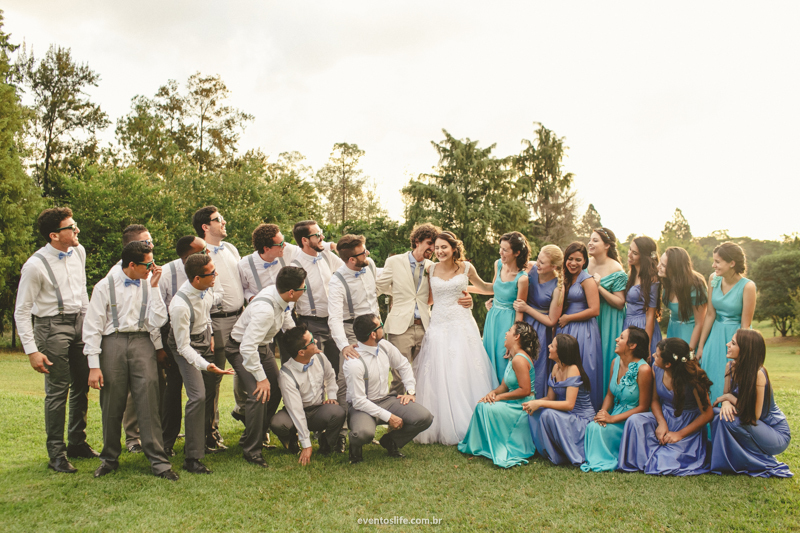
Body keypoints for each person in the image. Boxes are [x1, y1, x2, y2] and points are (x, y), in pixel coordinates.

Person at [83, 242, 178, 480]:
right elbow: (92, 327)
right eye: (148, 264)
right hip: (112, 343)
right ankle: (109, 459)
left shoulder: (150, 284)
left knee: (149, 401)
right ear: (132, 264)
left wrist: (154, 287)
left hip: (143, 342)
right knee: (111, 404)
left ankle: (158, 461)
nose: (153, 268)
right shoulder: (105, 286)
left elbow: (158, 320)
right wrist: (94, 366)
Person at [14, 207, 97, 473]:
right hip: (51, 327)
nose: (77, 230)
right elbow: (22, 311)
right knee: (58, 390)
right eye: (71, 227)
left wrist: (89, 326)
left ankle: (77, 443)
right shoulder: (35, 266)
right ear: (54, 235)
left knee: (82, 385)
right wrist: (31, 351)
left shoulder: (79, 252)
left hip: (79, 323)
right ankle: (56, 455)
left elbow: (82, 292)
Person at [413, 231, 497, 445]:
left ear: (453, 248)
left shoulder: (466, 268)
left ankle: (469, 421)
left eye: (444, 247)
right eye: (437, 247)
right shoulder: (430, 269)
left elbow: (485, 287)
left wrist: (503, 280)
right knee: (438, 371)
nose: (439, 251)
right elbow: (428, 298)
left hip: (462, 324)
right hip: (439, 325)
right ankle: (437, 423)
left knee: (462, 369)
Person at [376, 223, 473, 396]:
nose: (433, 249)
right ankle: (395, 412)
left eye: (435, 245)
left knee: (423, 375)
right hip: (400, 327)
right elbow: (379, 287)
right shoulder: (394, 262)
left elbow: (445, 290)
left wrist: (467, 297)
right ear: (417, 241)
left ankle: (416, 412)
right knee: (399, 377)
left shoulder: (432, 267)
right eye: (429, 243)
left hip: (426, 326)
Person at [225, 267, 302, 467]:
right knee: (259, 394)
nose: (304, 291)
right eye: (303, 288)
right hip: (240, 349)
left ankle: (254, 434)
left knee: (276, 387)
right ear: (291, 292)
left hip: (262, 347)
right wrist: (261, 378)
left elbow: (287, 320)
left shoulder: (282, 297)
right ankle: (252, 450)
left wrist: (303, 342)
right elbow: (247, 347)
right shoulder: (265, 311)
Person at [168, 254, 235, 474]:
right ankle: (192, 458)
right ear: (197, 278)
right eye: (212, 273)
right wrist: (206, 365)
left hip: (204, 339)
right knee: (197, 396)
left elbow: (207, 313)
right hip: (185, 347)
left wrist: (211, 335)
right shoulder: (180, 306)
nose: (216, 275)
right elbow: (183, 347)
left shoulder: (207, 289)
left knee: (209, 393)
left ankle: (203, 440)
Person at [344, 314, 433, 464]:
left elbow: (403, 365)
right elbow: (358, 401)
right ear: (373, 334)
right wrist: (389, 417)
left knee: (425, 417)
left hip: (386, 400)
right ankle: (355, 448)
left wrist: (410, 391)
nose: (383, 327)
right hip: (362, 407)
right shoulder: (353, 363)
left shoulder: (384, 346)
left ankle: (391, 441)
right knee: (363, 433)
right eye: (380, 325)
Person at [618, 338, 713, 476]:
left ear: (668, 364)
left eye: (657, 355)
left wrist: (679, 435)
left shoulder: (694, 379)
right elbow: (654, 400)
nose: (653, 355)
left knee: (665, 461)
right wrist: (662, 423)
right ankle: (642, 458)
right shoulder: (656, 368)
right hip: (664, 415)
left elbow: (707, 414)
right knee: (635, 420)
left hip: (686, 424)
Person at [290, 220, 346, 451]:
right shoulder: (294, 264)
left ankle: (336, 431)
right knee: (311, 375)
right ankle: (306, 428)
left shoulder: (328, 257)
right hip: (309, 323)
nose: (322, 237)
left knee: (336, 373)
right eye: (317, 235)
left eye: (321, 233)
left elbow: (347, 270)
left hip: (333, 322)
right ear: (305, 240)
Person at [192, 206, 244, 450]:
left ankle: (247, 416)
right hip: (216, 321)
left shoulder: (231, 248)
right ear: (205, 226)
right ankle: (209, 434)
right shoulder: (199, 253)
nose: (224, 222)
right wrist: (210, 330)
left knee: (246, 370)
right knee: (213, 379)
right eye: (218, 220)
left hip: (240, 318)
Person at [710, 329, 792, 477]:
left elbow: (754, 416)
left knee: (728, 419)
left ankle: (759, 461)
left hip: (774, 433)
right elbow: (726, 395)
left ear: (745, 349)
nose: (728, 344)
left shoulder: (758, 374)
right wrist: (726, 402)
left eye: (733, 343)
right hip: (751, 424)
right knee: (716, 414)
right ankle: (729, 460)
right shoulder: (730, 366)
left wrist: (729, 398)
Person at [104, 224, 155, 455]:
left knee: (149, 388)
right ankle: (132, 437)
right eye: (146, 242)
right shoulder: (115, 277)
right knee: (129, 392)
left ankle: (152, 436)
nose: (151, 244)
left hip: (148, 335)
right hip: (123, 337)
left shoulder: (147, 270)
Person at [458, 322, 538, 468]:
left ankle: (496, 445)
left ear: (517, 336)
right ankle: (483, 446)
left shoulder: (519, 359)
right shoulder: (513, 357)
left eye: (509, 331)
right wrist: (492, 393)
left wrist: (499, 398)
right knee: (483, 405)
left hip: (522, 407)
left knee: (485, 408)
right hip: (514, 403)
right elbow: (504, 386)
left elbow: (525, 390)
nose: (506, 334)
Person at [155, 235, 207, 456]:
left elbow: (208, 302)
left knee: (202, 389)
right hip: (173, 333)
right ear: (187, 256)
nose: (207, 254)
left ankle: (202, 438)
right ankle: (167, 440)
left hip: (200, 333)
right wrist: (159, 348)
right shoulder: (167, 273)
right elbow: (156, 312)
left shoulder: (207, 269)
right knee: (173, 387)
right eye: (202, 251)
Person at [580, 327, 653, 472]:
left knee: (600, 430)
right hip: (615, 413)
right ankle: (596, 459)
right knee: (593, 426)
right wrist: (602, 414)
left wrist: (612, 419)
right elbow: (609, 394)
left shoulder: (644, 370)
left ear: (632, 345)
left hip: (632, 421)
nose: (616, 339)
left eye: (621, 338)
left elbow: (644, 407)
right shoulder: (615, 362)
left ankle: (609, 460)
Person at [271, 325, 346, 466]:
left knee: (338, 412)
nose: (316, 341)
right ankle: (292, 440)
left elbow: (330, 376)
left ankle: (326, 443)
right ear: (301, 352)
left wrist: (331, 396)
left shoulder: (320, 357)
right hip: (296, 412)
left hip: (318, 410)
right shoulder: (286, 375)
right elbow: (296, 411)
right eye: (311, 341)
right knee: (278, 423)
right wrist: (306, 444)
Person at [697, 242, 757, 404]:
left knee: (732, 378)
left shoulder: (748, 286)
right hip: (715, 335)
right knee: (710, 374)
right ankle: (710, 415)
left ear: (732, 263)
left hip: (736, 337)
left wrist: (740, 350)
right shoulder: (713, 279)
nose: (713, 265)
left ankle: (729, 413)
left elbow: (745, 325)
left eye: (717, 262)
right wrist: (701, 346)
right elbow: (710, 314)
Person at [524, 334, 596, 466]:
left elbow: (569, 404)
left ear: (561, 351)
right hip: (566, 415)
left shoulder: (573, 369)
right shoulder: (556, 367)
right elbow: (550, 398)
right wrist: (532, 403)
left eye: (552, 346)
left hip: (581, 418)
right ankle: (547, 451)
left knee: (548, 414)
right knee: (534, 413)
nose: (548, 347)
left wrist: (539, 403)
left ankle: (561, 455)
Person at [328, 234, 379, 410]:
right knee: (346, 377)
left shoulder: (369, 265)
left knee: (374, 374)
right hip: (351, 331)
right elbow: (334, 318)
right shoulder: (337, 281)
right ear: (351, 259)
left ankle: (370, 417)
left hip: (375, 329)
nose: (368, 253)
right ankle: (342, 422)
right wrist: (344, 346)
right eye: (363, 252)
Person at [556, 242, 603, 411]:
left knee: (583, 367)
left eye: (578, 259)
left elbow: (594, 310)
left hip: (583, 330)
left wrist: (569, 318)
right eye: (570, 259)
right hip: (566, 328)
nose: (573, 263)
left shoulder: (587, 280)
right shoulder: (565, 278)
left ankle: (584, 410)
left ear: (584, 261)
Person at [514, 244, 564, 400]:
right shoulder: (530, 269)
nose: (537, 264)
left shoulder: (558, 287)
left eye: (542, 262)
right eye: (538, 259)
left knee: (535, 367)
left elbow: (551, 321)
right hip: (522, 322)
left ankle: (533, 403)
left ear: (553, 267)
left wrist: (527, 308)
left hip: (540, 331)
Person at [481, 232, 530, 380]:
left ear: (517, 253)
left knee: (502, 358)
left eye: (505, 250)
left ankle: (502, 392)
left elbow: (519, 311)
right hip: (492, 318)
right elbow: (494, 288)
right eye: (500, 248)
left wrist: (515, 340)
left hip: (508, 322)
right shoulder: (498, 264)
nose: (500, 252)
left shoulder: (522, 279)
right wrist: (493, 301)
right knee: (487, 358)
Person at [587, 227, 628, 398]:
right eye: (590, 239)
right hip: (590, 316)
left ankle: (605, 401)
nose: (590, 243)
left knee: (605, 357)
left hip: (609, 319)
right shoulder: (587, 264)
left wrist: (599, 287)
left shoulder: (615, 268)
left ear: (607, 245)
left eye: (595, 240)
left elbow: (620, 302)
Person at [658, 246, 707, 350]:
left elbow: (700, 323)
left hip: (690, 332)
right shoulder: (666, 280)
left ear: (675, 268)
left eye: (663, 265)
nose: (658, 267)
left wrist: (690, 350)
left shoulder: (696, 285)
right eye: (660, 263)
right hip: (673, 328)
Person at [622, 236, 662, 355]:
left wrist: (647, 344)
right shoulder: (632, 274)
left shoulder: (652, 279)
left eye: (635, 253)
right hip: (628, 324)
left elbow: (650, 314)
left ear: (644, 257)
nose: (629, 254)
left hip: (642, 326)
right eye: (630, 249)